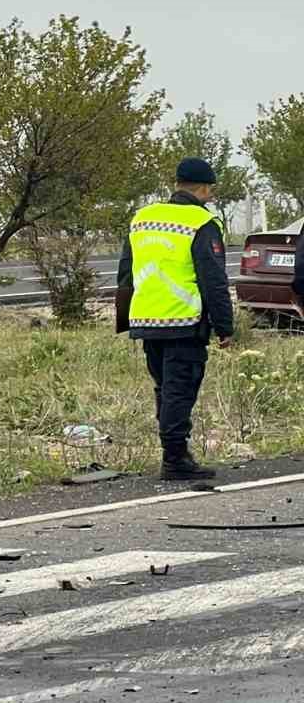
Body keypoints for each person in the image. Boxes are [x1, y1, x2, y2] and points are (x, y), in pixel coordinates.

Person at [115, 156, 233, 480]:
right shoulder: (201, 222)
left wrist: (125, 320)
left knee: (165, 389)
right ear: (205, 188)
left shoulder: (143, 218)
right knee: (180, 390)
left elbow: (125, 272)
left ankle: (174, 453)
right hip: (183, 321)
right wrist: (225, 326)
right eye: (211, 190)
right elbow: (213, 278)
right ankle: (175, 459)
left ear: (177, 183)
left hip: (146, 319)